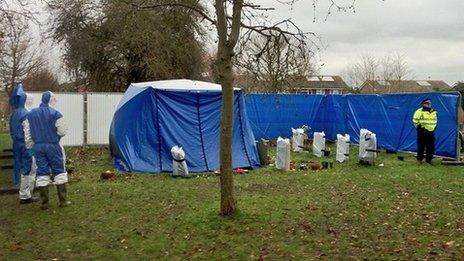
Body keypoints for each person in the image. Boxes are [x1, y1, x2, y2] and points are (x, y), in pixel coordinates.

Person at [23, 91, 71, 210]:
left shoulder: (31, 114)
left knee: (42, 171)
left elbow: (27, 134)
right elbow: (62, 131)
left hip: (38, 147)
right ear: (52, 100)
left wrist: (30, 147)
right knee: (59, 170)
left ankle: (44, 203)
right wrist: (56, 136)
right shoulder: (55, 113)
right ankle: (63, 201)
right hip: (53, 146)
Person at [9, 84, 37, 203]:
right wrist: (30, 147)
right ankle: (26, 195)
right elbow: (28, 133)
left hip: (16, 144)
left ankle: (24, 194)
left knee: (22, 168)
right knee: (29, 169)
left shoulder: (14, 113)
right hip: (25, 145)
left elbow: (10, 130)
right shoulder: (25, 114)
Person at [413, 98, 438, 164]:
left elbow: (435, 121)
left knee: (431, 147)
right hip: (422, 131)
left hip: (430, 132)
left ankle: (429, 160)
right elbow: (415, 120)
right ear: (423, 104)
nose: (429, 104)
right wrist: (419, 128)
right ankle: (419, 160)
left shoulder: (433, 112)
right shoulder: (419, 111)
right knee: (421, 146)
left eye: (429, 103)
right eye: (427, 103)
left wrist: (434, 127)